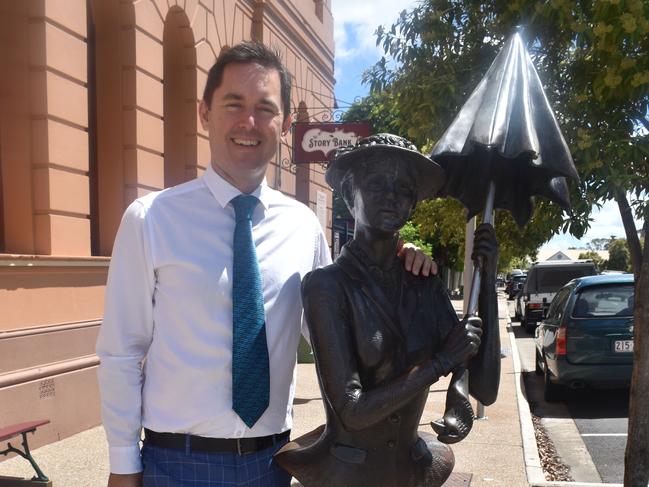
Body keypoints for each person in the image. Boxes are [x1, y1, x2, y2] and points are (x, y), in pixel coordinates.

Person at [96, 43, 435, 487]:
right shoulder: (151, 219)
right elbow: (121, 351)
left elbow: (346, 336)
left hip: (273, 465)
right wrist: (123, 464)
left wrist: (399, 272)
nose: (248, 123)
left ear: (287, 124)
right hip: (176, 464)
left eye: (265, 108)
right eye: (233, 104)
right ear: (204, 112)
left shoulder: (304, 226)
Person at [274, 134, 500, 487]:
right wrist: (440, 363)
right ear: (350, 196)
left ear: (413, 204)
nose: (391, 196)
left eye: (404, 188)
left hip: (413, 471)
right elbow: (351, 410)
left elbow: (484, 388)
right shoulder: (327, 287)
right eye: (377, 183)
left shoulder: (424, 282)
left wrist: (488, 282)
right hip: (346, 474)